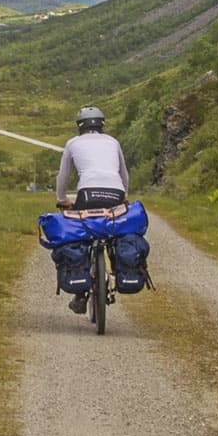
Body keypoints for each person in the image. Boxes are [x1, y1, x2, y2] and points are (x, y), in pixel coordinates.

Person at [56, 105, 128, 313]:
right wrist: (124, 197)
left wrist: (62, 199)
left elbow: (63, 176)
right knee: (114, 232)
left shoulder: (73, 143)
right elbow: (124, 175)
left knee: (80, 233)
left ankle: (80, 294)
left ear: (79, 126)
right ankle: (117, 266)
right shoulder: (113, 142)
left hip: (87, 193)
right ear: (102, 125)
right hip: (116, 193)